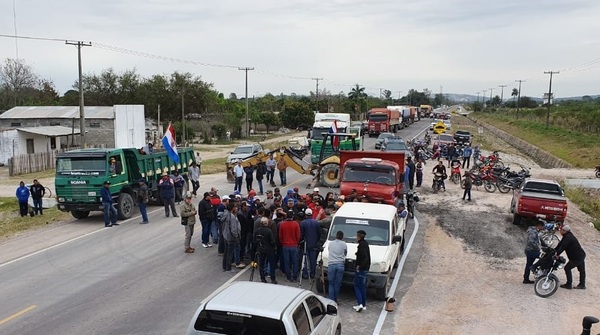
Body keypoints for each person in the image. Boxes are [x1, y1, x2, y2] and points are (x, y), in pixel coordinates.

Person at [555, 225, 586, 289]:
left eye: (561, 230)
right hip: (580, 255)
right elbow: (560, 245)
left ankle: (569, 284)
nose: (560, 231)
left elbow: (563, 247)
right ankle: (582, 284)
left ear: (564, 231)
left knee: (567, 268)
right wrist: (554, 251)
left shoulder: (568, 238)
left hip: (576, 257)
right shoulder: (567, 236)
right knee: (581, 270)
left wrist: (556, 254)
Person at [254, 216, 278, 284]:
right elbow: (272, 241)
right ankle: (273, 278)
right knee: (271, 263)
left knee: (261, 264)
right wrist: (274, 247)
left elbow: (254, 240)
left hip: (261, 249)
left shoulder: (257, 230)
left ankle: (262, 278)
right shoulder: (269, 231)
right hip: (269, 249)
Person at [279, 210, 301, 282]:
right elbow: (298, 236)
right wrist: (296, 243)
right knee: (295, 262)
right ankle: (295, 277)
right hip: (294, 245)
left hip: (285, 245)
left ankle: (288, 277)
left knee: (287, 262)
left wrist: (283, 242)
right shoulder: (296, 224)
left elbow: (280, 236)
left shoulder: (282, 224)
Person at [222, 202, 244, 272]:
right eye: (235, 207)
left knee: (226, 252)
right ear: (232, 208)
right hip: (231, 237)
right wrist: (236, 236)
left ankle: (225, 266)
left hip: (226, 236)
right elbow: (233, 229)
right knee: (229, 253)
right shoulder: (232, 217)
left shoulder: (226, 214)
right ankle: (228, 267)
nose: (237, 208)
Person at [300, 208, 321, 279]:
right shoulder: (316, 223)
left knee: (305, 259)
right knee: (313, 260)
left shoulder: (303, 223)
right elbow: (319, 234)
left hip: (306, 244)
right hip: (314, 244)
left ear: (306, 215)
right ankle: (312, 273)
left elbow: (301, 234)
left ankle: (305, 274)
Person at [353, 230, 371, 312]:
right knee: (362, 287)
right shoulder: (366, 244)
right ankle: (363, 304)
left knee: (357, 285)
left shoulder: (361, 245)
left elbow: (364, 257)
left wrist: (359, 266)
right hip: (365, 268)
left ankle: (359, 303)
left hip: (361, 269)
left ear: (359, 236)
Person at [328, 231, 347, 302]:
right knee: (337, 283)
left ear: (336, 235)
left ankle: (331, 299)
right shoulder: (344, 244)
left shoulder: (330, 243)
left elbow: (329, 250)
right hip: (340, 264)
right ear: (342, 237)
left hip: (331, 264)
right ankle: (335, 298)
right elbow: (345, 253)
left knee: (331, 283)